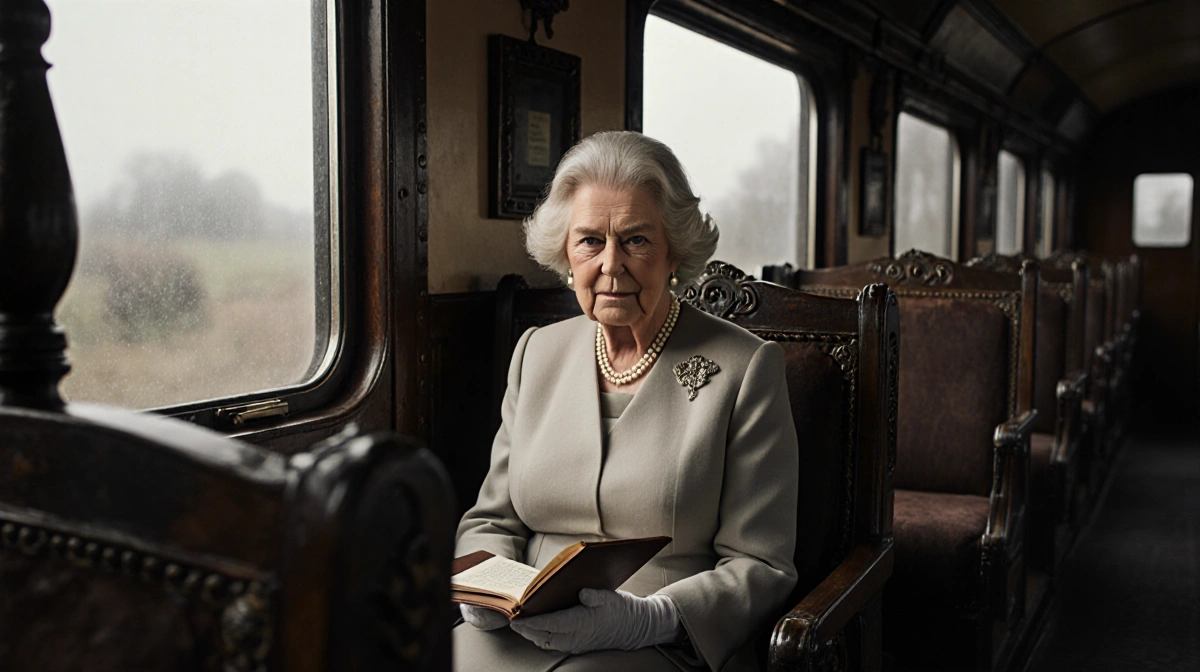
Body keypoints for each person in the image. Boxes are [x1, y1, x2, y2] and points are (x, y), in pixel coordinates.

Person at [453, 131, 798, 672]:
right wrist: (486, 590)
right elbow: (492, 520)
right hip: (516, 630)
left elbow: (761, 564)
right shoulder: (536, 353)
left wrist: (649, 618)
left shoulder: (746, 368)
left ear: (673, 252)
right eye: (590, 240)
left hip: (661, 642)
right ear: (566, 254)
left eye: (635, 240)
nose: (611, 264)